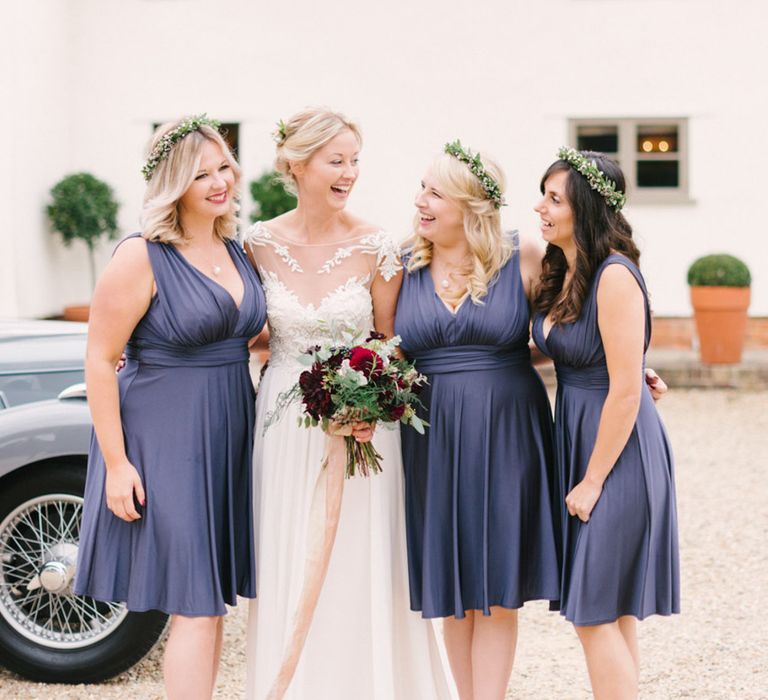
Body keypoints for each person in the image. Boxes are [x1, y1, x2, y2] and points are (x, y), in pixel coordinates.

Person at [242, 108, 452, 699]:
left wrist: (373, 401)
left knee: (358, 563)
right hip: (282, 424)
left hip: (360, 428)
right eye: (336, 161)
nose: (349, 173)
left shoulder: (376, 246)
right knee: (289, 555)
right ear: (296, 164)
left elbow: (389, 343)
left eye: (355, 160)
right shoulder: (257, 243)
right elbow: (234, 320)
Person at [74, 115, 267, 700]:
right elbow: (99, 359)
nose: (219, 182)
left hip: (232, 426)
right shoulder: (142, 255)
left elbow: (249, 336)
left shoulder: (237, 249)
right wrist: (117, 463)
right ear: (171, 184)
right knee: (194, 601)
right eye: (200, 174)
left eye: (223, 169)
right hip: (165, 436)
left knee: (212, 604)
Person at [394, 141, 561, 700]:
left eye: (434, 192)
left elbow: (572, 327)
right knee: (450, 576)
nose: (420, 201)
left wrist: (635, 368)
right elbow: (372, 345)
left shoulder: (525, 256)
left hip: (506, 430)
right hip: (430, 435)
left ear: (469, 205)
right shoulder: (400, 265)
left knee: (494, 581)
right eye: (422, 188)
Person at [531, 148, 680, 700]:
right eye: (543, 194)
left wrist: (592, 480)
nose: (540, 208)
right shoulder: (566, 270)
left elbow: (623, 389)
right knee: (611, 612)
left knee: (593, 610)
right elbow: (573, 350)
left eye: (554, 199)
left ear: (586, 209)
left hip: (615, 453)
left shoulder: (615, 274)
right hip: (581, 433)